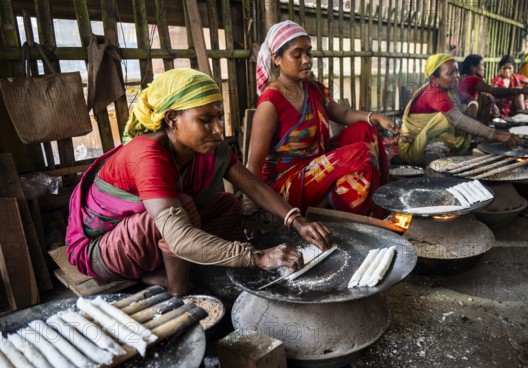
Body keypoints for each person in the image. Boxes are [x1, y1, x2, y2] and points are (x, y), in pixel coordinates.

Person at [65, 68, 333, 297]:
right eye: (205, 121)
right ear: (171, 119)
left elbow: (252, 185)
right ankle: (178, 291)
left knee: (227, 204)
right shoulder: (146, 155)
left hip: (147, 237)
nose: (218, 129)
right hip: (103, 250)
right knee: (180, 209)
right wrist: (257, 256)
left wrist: (297, 221)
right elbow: (179, 236)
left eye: (218, 118)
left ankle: (226, 271)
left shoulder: (208, 146)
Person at [246, 20, 399, 217]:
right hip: (287, 183)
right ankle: (347, 212)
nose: (306, 60)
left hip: (316, 166)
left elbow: (342, 114)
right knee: (361, 154)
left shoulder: (313, 88)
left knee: (365, 131)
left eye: (308, 53)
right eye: (297, 55)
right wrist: (253, 203)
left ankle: (379, 204)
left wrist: (374, 117)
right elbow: (253, 164)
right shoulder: (271, 102)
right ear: (276, 58)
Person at [397, 54, 522, 167]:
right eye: (450, 73)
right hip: (413, 148)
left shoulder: (450, 88)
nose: (456, 76)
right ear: (434, 79)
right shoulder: (434, 93)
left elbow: (468, 99)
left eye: (457, 71)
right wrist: (495, 134)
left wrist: (473, 105)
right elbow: (457, 119)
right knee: (447, 118)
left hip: (426, 140)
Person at [458, 54, 528, 123]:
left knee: (488, 98)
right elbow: (495, 91)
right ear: (473, 67)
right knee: (487, 99)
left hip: (462, 113)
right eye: (482, 65)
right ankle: (481, 132)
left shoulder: (464, 78)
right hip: (466, 114)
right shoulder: (472, 79)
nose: (484, 68)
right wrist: (521, 90)